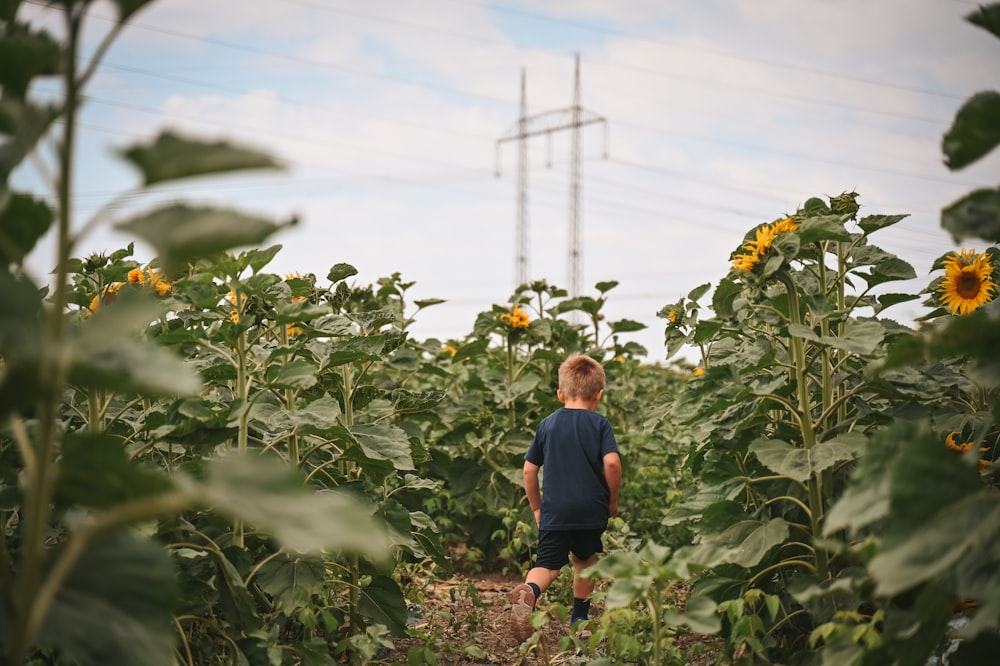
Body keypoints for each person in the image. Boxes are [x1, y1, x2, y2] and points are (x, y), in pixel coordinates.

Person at [508, 353, 622, 643]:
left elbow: (529, 470)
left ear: (560, 394)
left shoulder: (547, 424)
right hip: (589, 509)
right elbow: (611, 463)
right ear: (599, 395)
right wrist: (611, 501)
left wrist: (536, 507)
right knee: (584, 562)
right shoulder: (600, 424)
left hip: (555, 510)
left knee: (548, 565)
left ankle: (530, 592)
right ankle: (581, 621)